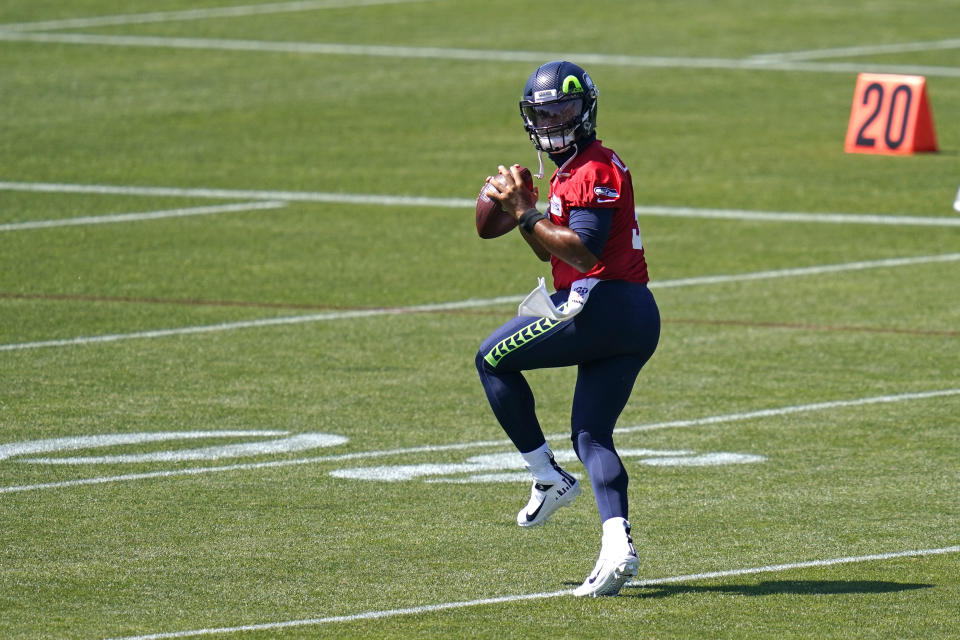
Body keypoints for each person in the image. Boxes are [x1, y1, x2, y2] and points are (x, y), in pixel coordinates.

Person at [476, 60, 660, 597]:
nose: (556, 118)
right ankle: (616, 547)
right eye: (545, 110)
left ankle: (547, 476)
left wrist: (526, 213)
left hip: (604, 304)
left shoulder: (594, 167)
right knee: (591, 434)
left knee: (491, 358)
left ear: (586, 110)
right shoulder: (570, 171)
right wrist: (525, 214)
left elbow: (582, 253)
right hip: (629, 316)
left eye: (565, 108)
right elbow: (552, 239)